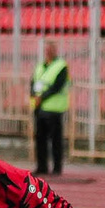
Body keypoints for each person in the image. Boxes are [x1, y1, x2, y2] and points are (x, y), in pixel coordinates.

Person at [30, 40, 70, 176]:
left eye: (50, 49)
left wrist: (41, 97)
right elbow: (33, 82)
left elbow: (57, 86)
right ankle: (42, 166)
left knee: (55, 140)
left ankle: (57, 167)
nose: (48, 51)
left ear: (55, 50)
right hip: (39, 108)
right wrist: (34, 96)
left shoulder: (61, 66)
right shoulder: (40, 66)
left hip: (54, 109)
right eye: (46, 49)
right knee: (40, 138)